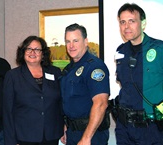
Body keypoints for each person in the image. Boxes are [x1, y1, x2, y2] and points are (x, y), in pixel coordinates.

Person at [114, 3, 163, 144]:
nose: (126, 26)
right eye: (122, 22)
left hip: (151, 129)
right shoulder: (121, 51)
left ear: (143, 23)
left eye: (131, 21)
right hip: (124, 128)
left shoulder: (159, 49)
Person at [3, 36, 63, 145]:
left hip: (51, 135)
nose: (32, 52)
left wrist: (64, 126)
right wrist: (10, 141)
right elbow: (8, 111)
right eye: (29, 49)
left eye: (37, 49)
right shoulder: (13, 76)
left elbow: (60, 103)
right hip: (24, 137)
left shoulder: (55, 72)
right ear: (23, 52)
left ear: (43, 54)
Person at [60, 23, 110, 145]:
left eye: (75, 41)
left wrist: (86, 138)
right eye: (68, 41)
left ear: (85, 41)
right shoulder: (68, 69)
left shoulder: (94, 66)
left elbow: (101, 103)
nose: (71, 46)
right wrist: (66, 125)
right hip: (72, 133)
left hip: (91, 135)